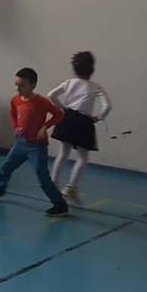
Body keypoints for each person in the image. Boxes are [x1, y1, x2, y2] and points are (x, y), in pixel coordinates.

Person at [0, 68, 69, 217]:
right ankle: (0, 188)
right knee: (5, 168)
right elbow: (13, 113)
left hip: (37, 147)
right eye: (16, 85)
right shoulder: (15, 100)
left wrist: (45, 127)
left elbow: (59, 114)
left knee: (42, 176)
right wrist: (16, 127)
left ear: (33, 85)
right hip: (20, 144)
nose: (18, 88)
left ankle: (60, 205)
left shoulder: (41, 102)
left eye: (22, 85)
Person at [48, 51, 112, 204]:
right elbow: (107, 106)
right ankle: (71, 188)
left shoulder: (69, 82)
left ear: (74, 68)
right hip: (84, 122)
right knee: (83, 157)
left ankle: (54, 183)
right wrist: (98, 117)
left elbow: (51, 95)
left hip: (67, 118)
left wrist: (63, 108)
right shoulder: (95, 86)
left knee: (63, 153)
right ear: (92, 69)